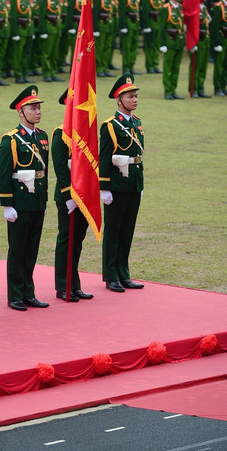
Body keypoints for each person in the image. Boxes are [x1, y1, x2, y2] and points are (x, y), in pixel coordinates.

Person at [0, 85, 50, 311]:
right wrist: (7, 204)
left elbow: (44, 172)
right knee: (18, 250)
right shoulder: (11, 139)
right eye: (33, 108)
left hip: (37, 201)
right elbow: (5, 172)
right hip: (19, 202)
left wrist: (44, 200)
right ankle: (15, 294)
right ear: (21, 111)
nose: (38, 112)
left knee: (32, 250)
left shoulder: (43, 136)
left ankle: (29, 292)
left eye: (39, 108)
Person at [99, 74, 145, 293]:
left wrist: (140, 185)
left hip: (133, 184)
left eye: (136, 96)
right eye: (130, 96)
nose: (135, 100)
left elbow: (138, 156)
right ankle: (111, 276)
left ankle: (123, 273)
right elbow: (105, 157)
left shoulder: (137, 123)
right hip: (116, 186)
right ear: (119, 99)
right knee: (113, 232)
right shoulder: (110, 126)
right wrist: (104, 187)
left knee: (127, 231)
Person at [52, 89, 94, 303]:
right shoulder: (61, 133)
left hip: (85, 196)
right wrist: (69, 195)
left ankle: (74, 285)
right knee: (66, 240)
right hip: (68, 198)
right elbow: (60, 168)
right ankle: (63, 286)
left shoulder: (87, 132)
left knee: (77, 240)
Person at [159, 0, 186, 99]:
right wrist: (162, 44)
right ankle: (168, 91)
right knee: (168, 68)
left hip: (179, 41)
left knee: (176, 67)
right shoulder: (166, 8)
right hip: (170, 42)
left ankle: (173, 89)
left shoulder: (180, 7)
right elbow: (161, 27)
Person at [211, 0, 227, 96]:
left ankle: (223, 86)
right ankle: (217, 88)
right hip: (221, 40)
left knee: (225, 65)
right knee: (219, 65)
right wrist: (216, 43)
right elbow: (215, 26)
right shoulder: (218, 6)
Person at [189, 0, 212, 97]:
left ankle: (200, 88)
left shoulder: (203, 7)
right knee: (196, 67)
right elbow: (191, 25)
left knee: (203, 67)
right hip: (198, 40)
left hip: (205, 40)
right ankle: (194, 89)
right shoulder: (194, 8)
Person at [141, 0, 163, 74]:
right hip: (151, 24)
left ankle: (155, 65)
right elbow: (145, 11)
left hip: (159, 24)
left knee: (157, 46)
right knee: (150, 46)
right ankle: (150, 66)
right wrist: (146, 25)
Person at [119, 0, 141, 74]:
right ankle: (126, 67)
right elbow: (121, 11)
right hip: (128, 24)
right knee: (127, 48)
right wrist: (123, 26)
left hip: (136, 24)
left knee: (134, 47)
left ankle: (131, 66)